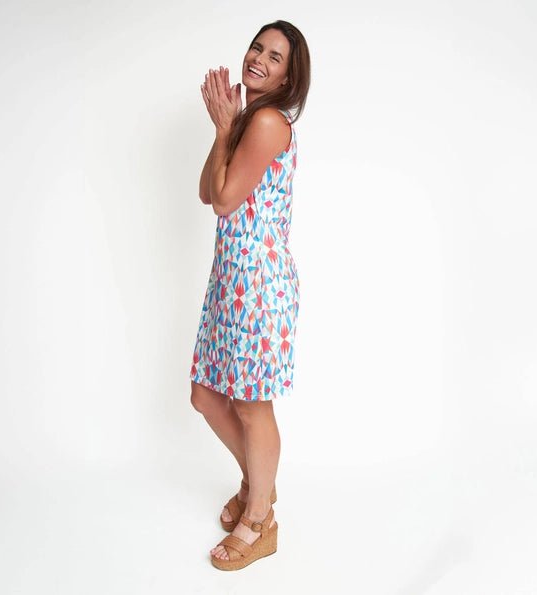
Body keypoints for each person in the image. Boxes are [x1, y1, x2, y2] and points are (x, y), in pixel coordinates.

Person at [189, 20, 311, 571]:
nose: (259, 58)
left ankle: (260, 520)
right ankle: (260, 484)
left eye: (275, 56)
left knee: (251, 405)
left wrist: (225, 130)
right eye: (257, 47)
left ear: (288, 76)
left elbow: (223, 200)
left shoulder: (265, 121)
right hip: (231, 283)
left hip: (259, 287)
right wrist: (224, 129)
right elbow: (206, 191)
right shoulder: (246, 120)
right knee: (206, 395)